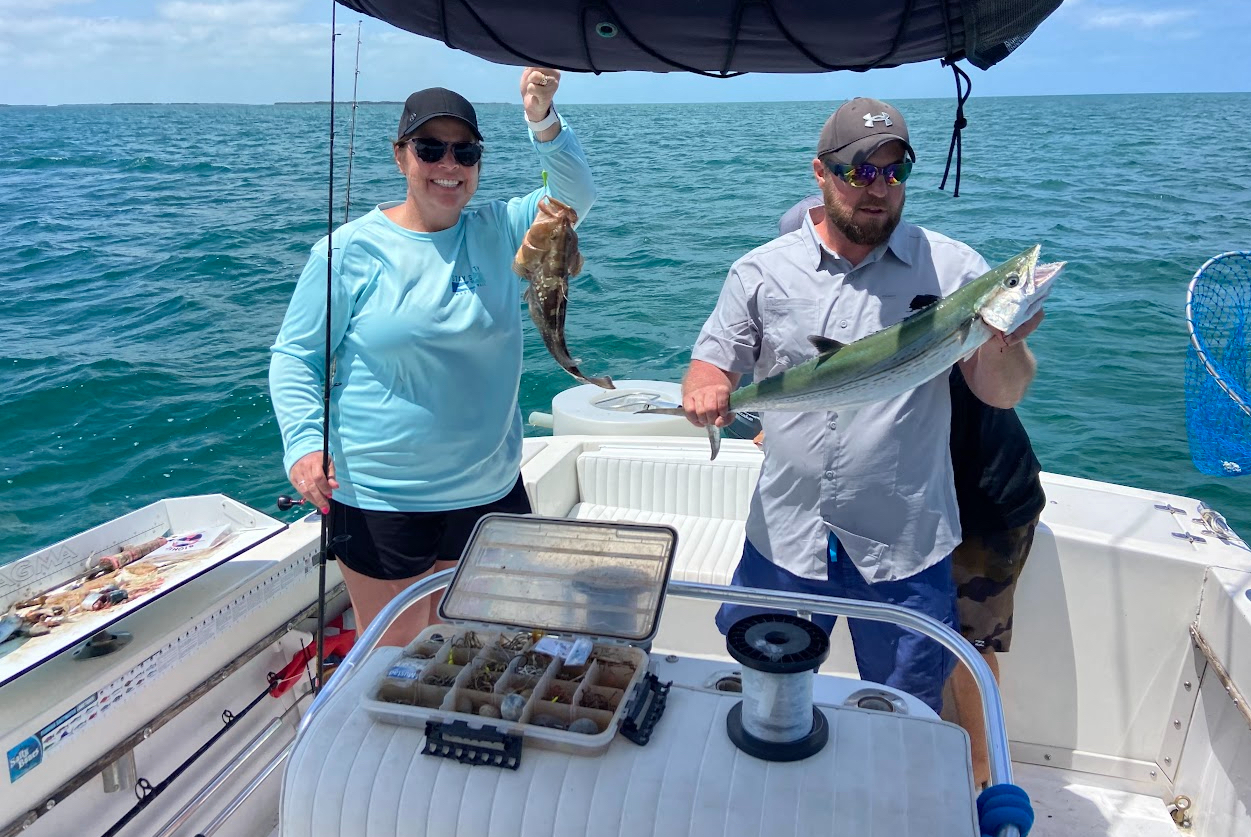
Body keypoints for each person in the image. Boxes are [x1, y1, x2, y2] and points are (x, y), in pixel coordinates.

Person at [681, 97, 1046, 716]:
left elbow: (1002, 393)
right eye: (859, 171)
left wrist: (1004, 337)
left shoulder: (955, 269)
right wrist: (707, 389)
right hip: (787, 532)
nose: (878, 188)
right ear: (819, 173)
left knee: (902, 707)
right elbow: (713, 362)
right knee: (764, 694)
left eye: (894, 171)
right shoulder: (760, 272)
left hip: (901, 540)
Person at [269, 68, 599, 647]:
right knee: (394, 649)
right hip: (381, 496)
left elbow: (574, 194)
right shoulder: (348, 251)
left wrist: (542, 118)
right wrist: (303, 444)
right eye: (431, 148)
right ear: (401, 157)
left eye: (465, 152)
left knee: (472, 642)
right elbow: (296, 356)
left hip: (490, 486)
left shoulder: (503, 230)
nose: (449, 165)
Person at [777, 194, 1046, 787]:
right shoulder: (822, 309)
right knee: (918, 646)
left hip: (982, 493)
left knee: (967, 645)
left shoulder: (920, 298)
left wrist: (1004, 339)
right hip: (900, 505)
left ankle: (982, 776)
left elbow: (1007, 388)